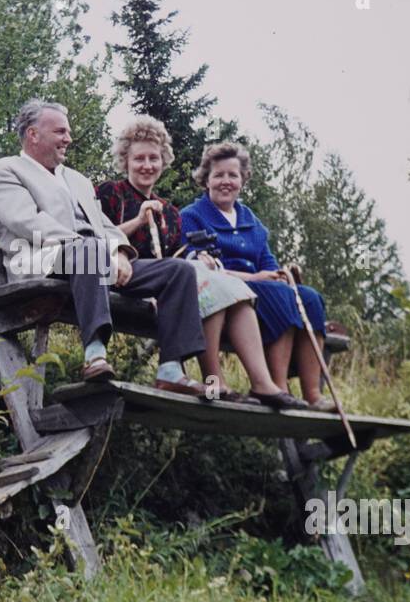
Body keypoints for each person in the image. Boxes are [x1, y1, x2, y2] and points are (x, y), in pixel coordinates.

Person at [0, 99, 210, 397]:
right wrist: (97, 251)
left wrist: (118, 252)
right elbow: (28, 222)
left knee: (178, 271)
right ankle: (94, 353)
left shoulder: (75, 179)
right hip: (41, 260)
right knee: (88, 250)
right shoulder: (5, 170)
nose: (68, 139)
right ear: (33, 134)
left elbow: (103, 224)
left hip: (92, 261)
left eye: (68, 132)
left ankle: (171, 368)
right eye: (61, 131)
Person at [95, 117, 307, 409]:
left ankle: (262, 385)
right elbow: (94, 237)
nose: (147, 165)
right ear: (125, 160)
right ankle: (213, 383)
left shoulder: (169, 212)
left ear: (163, 161)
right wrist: (137, 220)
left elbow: (176, 258)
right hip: (119, 277)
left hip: (165, 286)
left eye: (153, 158)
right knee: (211, 285)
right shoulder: (110, 193)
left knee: (231, 289)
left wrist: (198, 259)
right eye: (139, 158)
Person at [179, 142, 338, 412]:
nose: (225, 181)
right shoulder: (192, 216)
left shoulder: (252, 221)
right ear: (206, 179)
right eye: (218, 175)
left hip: (256, 292)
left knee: (310, 298)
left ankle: (313, 394)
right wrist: (257, 279)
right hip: (223, 291)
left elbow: (268, 264)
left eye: (233, 175)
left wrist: (280, 275)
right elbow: (197, 269)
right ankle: (275, 387)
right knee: (280, 294)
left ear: (243, 180)